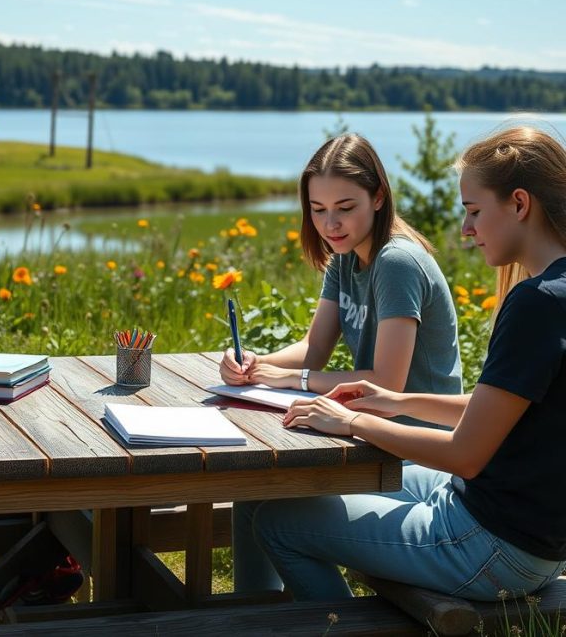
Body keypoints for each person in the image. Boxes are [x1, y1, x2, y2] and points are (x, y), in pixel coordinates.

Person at [242, 126, 566, 602]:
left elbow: (465, 455)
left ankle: (336, 629)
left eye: (474, 211)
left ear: (519, 204)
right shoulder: (553, 292)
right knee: (268, 492)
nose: (466, 229)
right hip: (522, 532)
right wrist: (394, 401)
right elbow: (498, 409)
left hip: (492, 545)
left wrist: (352, 421)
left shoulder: (536, 303)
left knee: (276, 521)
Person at [222, 134, 463, 591]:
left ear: (378, 197)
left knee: (272, 504)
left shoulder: (397, 261)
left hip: (416, 448)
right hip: (366, 434)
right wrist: (253, 363)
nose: (330, 223)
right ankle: (263, 618)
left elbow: (385, 382)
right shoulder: (345, 256)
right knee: (253, 490)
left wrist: (298, 378)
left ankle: (332, 619)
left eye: (345, 207)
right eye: (318, 209)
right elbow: (314, 348)